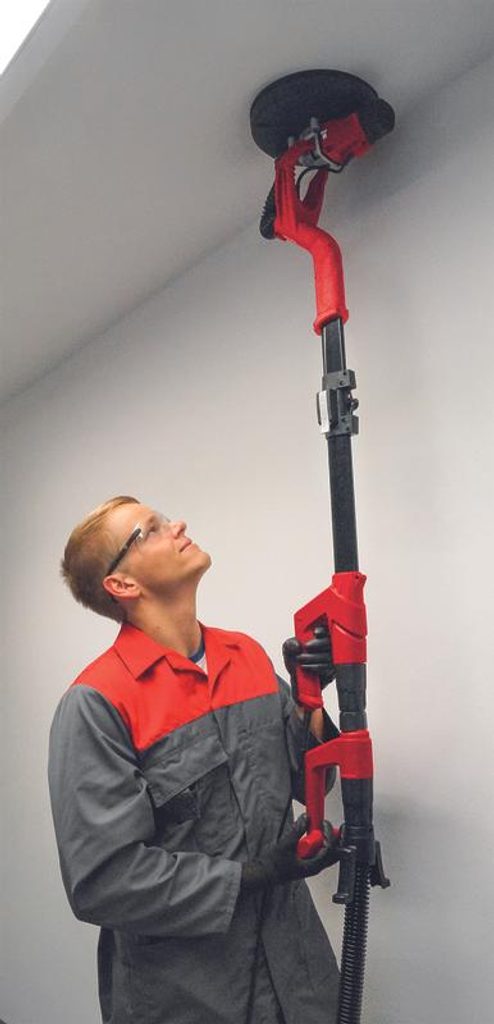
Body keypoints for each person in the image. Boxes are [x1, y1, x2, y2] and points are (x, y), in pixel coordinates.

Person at [48, 495, 342, 1024]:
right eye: (150, 529)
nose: (177, 524)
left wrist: (309, 696)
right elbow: (104, 882)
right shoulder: (99, 702)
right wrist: (254, 874)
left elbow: (312, 781)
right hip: (191, 996)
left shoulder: (244, 656)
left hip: (298, 981)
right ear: (122, 584)